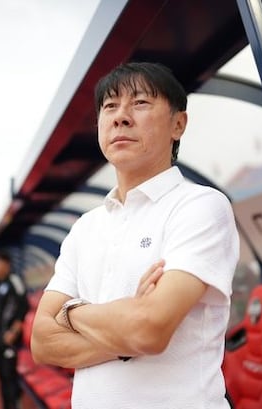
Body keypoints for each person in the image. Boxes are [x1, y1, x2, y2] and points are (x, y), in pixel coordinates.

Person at [31, 62, 239, 408]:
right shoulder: (86, 227)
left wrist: (70, 311)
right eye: (110, 106)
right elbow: (42, 342)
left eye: (140, 103)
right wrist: (127, 329)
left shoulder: (200, 206)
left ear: (178, 124)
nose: (121, 117)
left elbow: (148, 330)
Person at [0, 249, 29, 409]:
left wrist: (13, 331)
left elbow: (23, 307)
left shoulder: (14, 281)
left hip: (9, 338)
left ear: (5, 263)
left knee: (9, 376)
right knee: (2, 377)